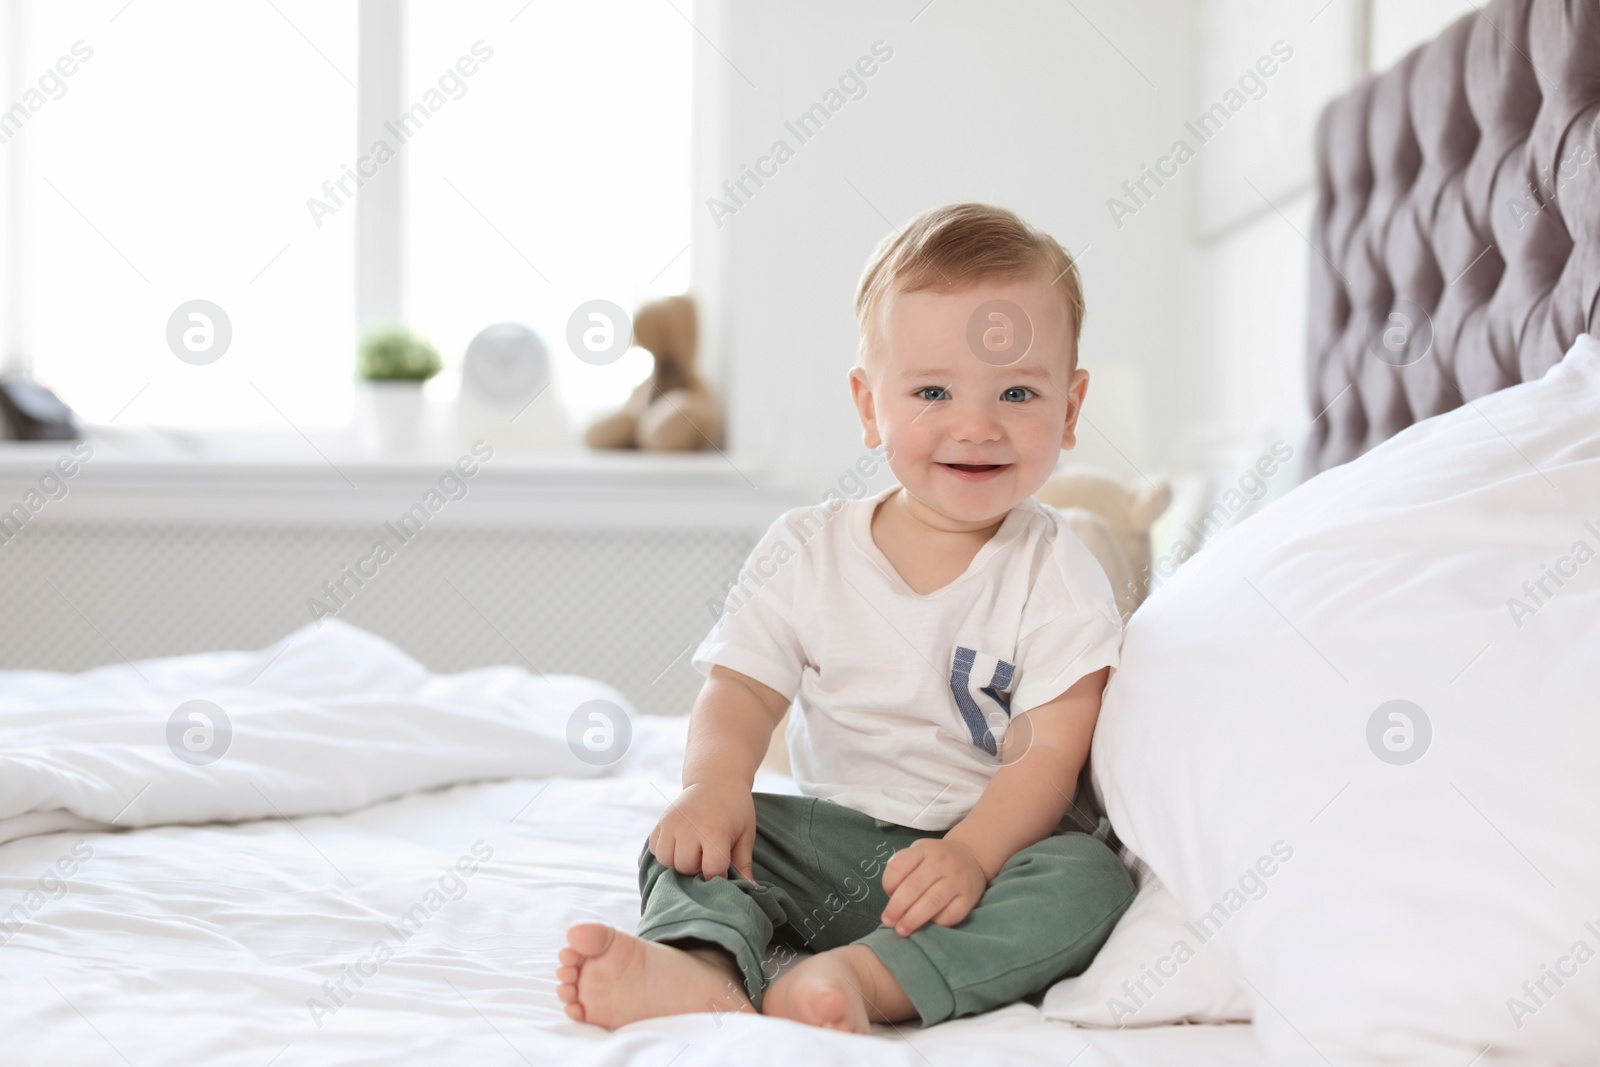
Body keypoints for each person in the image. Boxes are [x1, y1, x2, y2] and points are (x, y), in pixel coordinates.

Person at [557, 202, 1135, 1034]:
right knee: (689, 837)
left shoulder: (1060, 571)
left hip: (989, 856)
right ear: (870, 406)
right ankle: (701, 964)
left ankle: (866, 978)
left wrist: (971, 853)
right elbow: (742, 691)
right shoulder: (806, 548)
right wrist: (713, 787)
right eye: (933, 391)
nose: (976, 424)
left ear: (1071, 408)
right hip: (834, 843)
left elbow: (1050, 753)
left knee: (1090, 880)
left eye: (1017, 391)